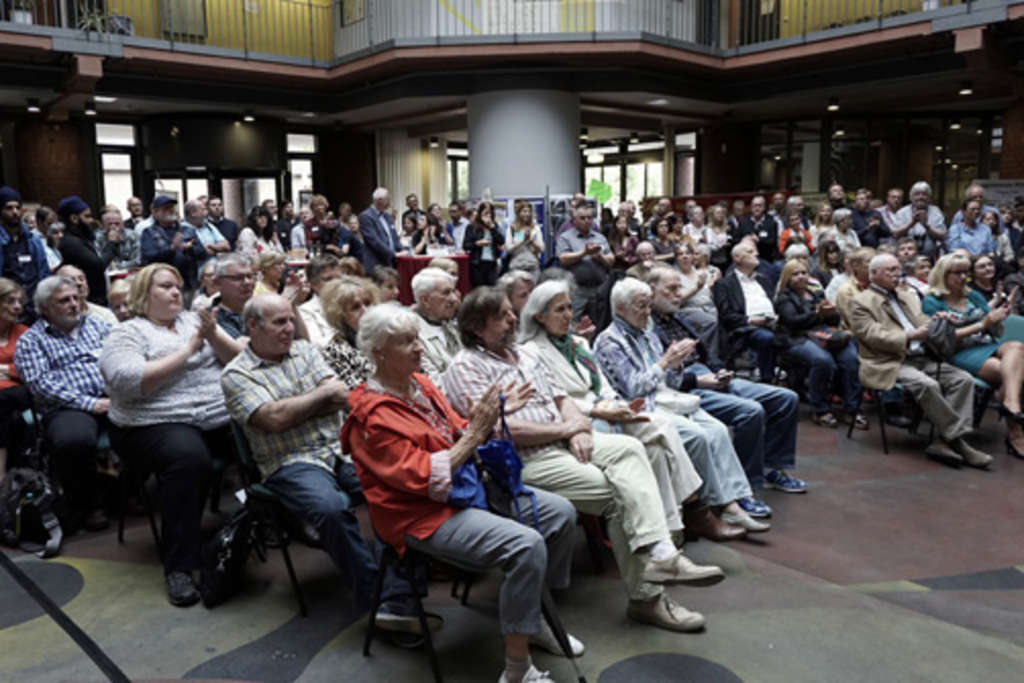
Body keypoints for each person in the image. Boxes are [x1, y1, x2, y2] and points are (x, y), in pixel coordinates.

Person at [443, 287, 725, 633]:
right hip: (522, 461)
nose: (514, 318)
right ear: (475, 326)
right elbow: (501, 431)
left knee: (632, 449)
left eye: (510, 312)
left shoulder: (524, 356)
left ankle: (662, 553)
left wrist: (576, 428)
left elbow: (563, 399)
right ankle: (647, 598)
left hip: (561, 441)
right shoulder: (464, 366)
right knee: (622, 496)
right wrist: (565, 429)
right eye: (502, 315)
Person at [344, 303, 580, 683]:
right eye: (406, 342)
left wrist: (493, 414)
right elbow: (425, 478)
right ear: (377, 354)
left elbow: (458, 430)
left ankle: (530, 618)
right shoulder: (371, 417)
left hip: (462, 490)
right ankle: (517, 669)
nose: (419, 347)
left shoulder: (420, 384)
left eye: (417, 337)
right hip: (420, 515)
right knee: (526, 544)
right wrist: (475, 432)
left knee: (561, 514)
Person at [222, 294, 435, 636]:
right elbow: (273, 419)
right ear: (252, 327)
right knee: (332, 509)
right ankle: (376, 598)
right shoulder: (236, 374)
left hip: (342, 448)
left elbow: (338, 394)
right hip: (289, 461)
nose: (289, 328)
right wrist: (314, 400)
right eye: (279, 322)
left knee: (398, 484)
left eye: (290, 319)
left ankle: (399, 593)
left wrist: (297, 406)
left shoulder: (305, 351)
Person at [520, 280, 747, 542]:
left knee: (660, 440)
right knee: (662, 430)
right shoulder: (532, 352)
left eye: (570, 307)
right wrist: (600, 409)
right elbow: (556, 397)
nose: (568, 315)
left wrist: (615, 405)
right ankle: (693, 515)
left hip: (607, 407)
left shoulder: (579, 344)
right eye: (559, 310)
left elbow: (602, 384)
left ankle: (672, 527)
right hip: (580, 417)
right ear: (539, 316)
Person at [595, 275, 800, 511]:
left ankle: (740, 495)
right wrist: (666, 363)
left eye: (648, 305)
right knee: (707, 432)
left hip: (674, 392)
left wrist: (676, 364)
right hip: (648, 404)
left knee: (720, 429)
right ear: (621, 309)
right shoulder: (610, 341)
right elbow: (634, 388)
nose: (648, 312)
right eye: (642, 306)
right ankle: (718, 505)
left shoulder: (648, 334)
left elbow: (672, 379)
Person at [99, 264, 239, 605]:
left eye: (178, 286)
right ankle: (180, 566)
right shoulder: (128, 332)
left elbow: (238, 360)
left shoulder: (194, 320)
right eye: (165, 287)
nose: (176, 292)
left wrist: (213, 333)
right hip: (151, 421)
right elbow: (129, 381)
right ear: (144, 295)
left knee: (265, 428)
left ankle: (277, 522)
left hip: (213, 414)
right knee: (188, 458)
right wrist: (189, 350)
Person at [848, 254, 993, 468]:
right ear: (874, 274)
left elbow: (921, 320)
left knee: (963, 379)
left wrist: (939, 320)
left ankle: (943, 441)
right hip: (887, 362)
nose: (897, 274)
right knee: (927, 384)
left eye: (898, 269)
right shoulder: (860, 302)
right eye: (890, 270)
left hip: (921, 357)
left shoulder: (907, 295)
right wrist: (910, 336)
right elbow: (872, 336)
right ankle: (958, 442)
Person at [14, 276, 113, 531]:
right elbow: (41, 385)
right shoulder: (31, 341)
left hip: (114, 397)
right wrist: (89, 403)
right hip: (66, 406)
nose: (73, 304)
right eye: (64, 300)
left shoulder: (99, 326)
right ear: (45, 308)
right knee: (74, 440)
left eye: (75, 298)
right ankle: (88, 504)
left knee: (151, 423)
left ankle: (129, 491)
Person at [921, 254, 1024, 456]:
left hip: (987, 344)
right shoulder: (932, 301)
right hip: (957, 351)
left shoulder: (973, 296)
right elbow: (940, 338)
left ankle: (1011, 405)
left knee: (1017, 348)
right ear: (944, 274)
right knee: (1012, 373)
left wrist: (999, 318)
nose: (963, 277)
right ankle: (1016, 434)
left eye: (965, 273)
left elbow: (995, 331)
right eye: (957, 273)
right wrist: (983, 324)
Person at [774, 259, 864, 429]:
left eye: (804, 273)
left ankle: (851, 408)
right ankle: (820, 408)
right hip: (795, 338)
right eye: (795, 274)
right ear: (787, 277)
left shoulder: (815, 293)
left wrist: (831, 312)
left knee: (851, 357)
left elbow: (833, 320)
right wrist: (817, 314)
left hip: (821, 334)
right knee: (823, 360)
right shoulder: (784, 297)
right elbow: (792, 322)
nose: (801, 277)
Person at [712, 241, 779, 382]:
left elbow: (775, 303)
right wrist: (750, 320)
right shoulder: (724, 284)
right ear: (737, 258)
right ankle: (768, 380)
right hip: (746, 327)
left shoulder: (763, 280)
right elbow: (726, 315)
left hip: (773, 322)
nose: (757, 254)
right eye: (750, 252)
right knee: (767, 337)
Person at [320, 276, 378, 407]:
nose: (366, 310)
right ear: (340, 316)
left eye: (368, 303)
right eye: (355, 307)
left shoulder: (387, 337)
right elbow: (358, 398)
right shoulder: (335, 351)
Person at [555, 205, 615, 318]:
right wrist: (584, 253)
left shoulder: (600, 237)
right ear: (574, 221)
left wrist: (600, 257)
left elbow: (611, 260)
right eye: (582, 218)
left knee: (601, 319)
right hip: (577, 289)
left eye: (589, 218)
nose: (587, 221)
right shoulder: (565, 238)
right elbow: (563, 259)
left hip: (599, 288)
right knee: (572, 319)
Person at [0, 187, 49, 319]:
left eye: (17, 207)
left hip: (34, 307)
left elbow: (43, 272)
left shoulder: (33, 240)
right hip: (8, 309)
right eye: (9, 208)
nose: (15, 212)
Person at [140, 196, 206, 293]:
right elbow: (148, 257)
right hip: (163, 285)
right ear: (155, 212)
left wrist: (188, 249)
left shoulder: (187, 229)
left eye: (172, 207)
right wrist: (171, 249)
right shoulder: (149, 232)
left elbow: (202, 252)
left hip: (189, 283)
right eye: (166, 208)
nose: (171, 210)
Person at [673, 242, 721, 367]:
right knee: (710, 321)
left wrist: (713, 287)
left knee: (723, 319)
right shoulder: (675, 277)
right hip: (687, 309)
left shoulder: (700, 273)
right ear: (676, 258)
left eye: (687, 253)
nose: (684, 256)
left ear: (692, 257)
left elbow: (709, 295)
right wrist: (696, 288)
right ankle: (709, 358)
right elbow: (678, 300)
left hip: (709, 307)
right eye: (680, 254)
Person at [0, 278, 30, 474]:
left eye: (20, 301)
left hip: (19, 393)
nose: (17, 307)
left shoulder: (24, 333)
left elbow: (30, 369)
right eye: (11, 301)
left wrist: (6, 370)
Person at [411, 267, 461, 385]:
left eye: (453, 291)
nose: (454, 299)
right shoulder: (411, 336)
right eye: (446, 293)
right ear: (425, 300)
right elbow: (433, 386)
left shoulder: (451, 325)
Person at [56, 195, 107, 305]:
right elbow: (97, 265)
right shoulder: (71, 242)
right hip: (87, 300)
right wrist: (112, 245)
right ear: (74, 218)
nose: (91, 220)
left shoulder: (83, 238)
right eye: (87, 216)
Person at [892, 181, 947, 259]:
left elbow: (942, 236)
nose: (921, 197)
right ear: (911, 197)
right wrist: (912, 223)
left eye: (924, 194)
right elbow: (895, 234)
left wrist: (926, 226)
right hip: (906, 257)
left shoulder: (936, 211)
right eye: (917, 194)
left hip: (929, 257)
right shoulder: (902, 212)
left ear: (929, 197)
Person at [298, 254, 342, 347]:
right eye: (328, 279)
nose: (336, 283)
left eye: (339, 278)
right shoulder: (305, 311)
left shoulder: (354, 303)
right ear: (313, 284)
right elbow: (317, 345)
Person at [358, 187, 403, 273]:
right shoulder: (366, 216)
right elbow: (374, 241)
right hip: (376, 264)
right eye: (388, 199)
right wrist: (393, 254)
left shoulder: (387, 216)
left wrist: (404, 250)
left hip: (390, 263)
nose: (390, 202)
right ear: (379, 200)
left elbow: (394, 238)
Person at [463, 201, 505, 288]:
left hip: (492, 262)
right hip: (477, 262)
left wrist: (492, 227)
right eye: (485, 212)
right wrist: (477, 243)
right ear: (480, 213)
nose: (487, 215)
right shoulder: (472, 227)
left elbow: (501, 241)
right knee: (479, 289)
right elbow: (465, 245)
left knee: (492, 288)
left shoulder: (495, 226)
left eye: (490, 212)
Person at [835, 247, 876, 330]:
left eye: (876, 261)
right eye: (869, 261)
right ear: (855, 265)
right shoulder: (846, 291)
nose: (875, 265)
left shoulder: (880, 284)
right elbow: (856, 324)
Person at [736, 195, 780, 265]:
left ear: (764, 207)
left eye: (759, 206)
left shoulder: (771, 222)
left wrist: (759, 240)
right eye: (754, 206)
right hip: (747, 260)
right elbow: (736, 239)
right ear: (751, 207)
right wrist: (746, 240)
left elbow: (772, 241)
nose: (757, 208)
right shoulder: (743, 222)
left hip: (766, 259)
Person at [504, 200, 544, 273]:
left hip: (532, 265)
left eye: (529, 212)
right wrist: (523, 240)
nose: (527, 214)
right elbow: (508, 249)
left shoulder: (535, 228)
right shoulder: (512, 229)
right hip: (516, 266)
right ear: (518, 213)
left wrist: (531, 241)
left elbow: (541, 248)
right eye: (524, 211)